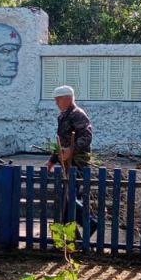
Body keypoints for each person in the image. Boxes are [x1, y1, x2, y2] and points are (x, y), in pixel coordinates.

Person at [46, 84, 93, 230]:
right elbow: (62, 142)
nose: (56, 103)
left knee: (68, 197)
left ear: (68, 98)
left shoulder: (77, 114)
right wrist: (53, 160)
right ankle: (70, 236)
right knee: (66, 197)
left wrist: (71, 150)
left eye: (58, 100)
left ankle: (90, 225)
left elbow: (86, 136)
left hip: (78, 163)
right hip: (66, 163)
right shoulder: (63, 116)